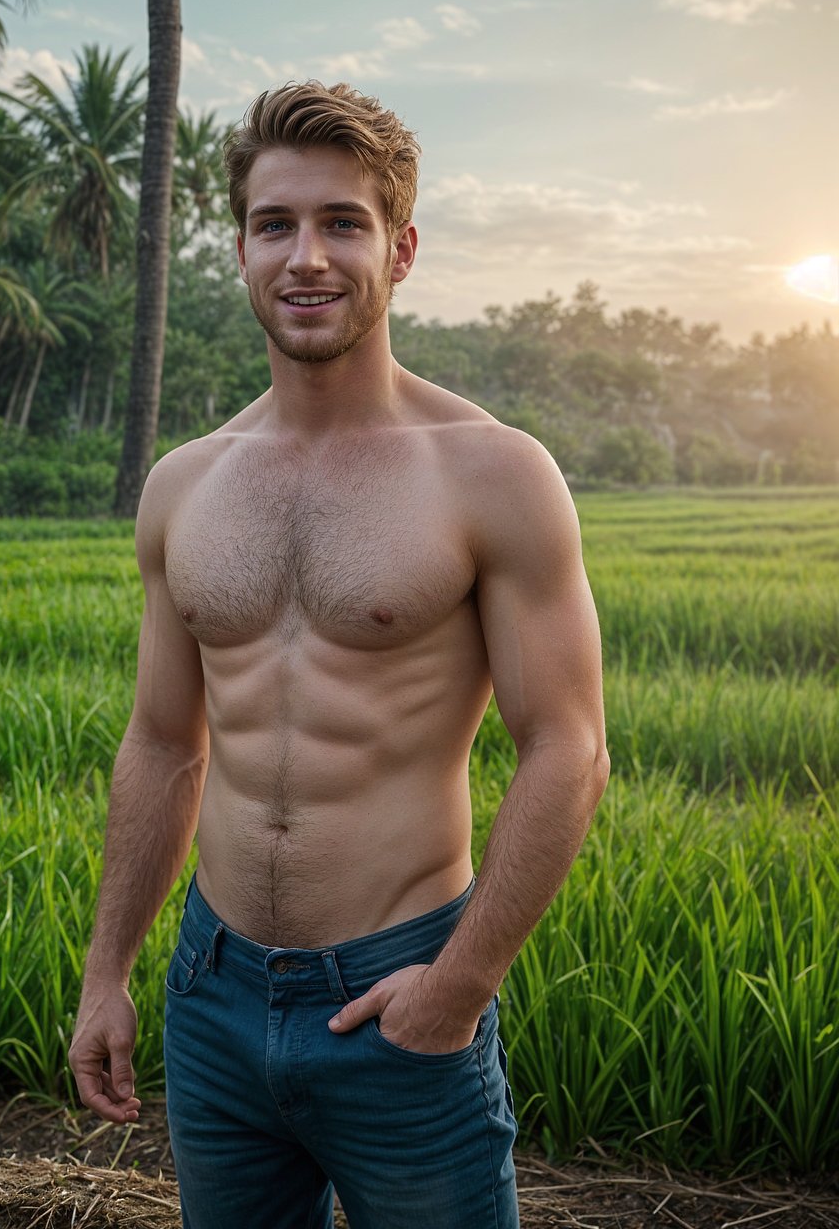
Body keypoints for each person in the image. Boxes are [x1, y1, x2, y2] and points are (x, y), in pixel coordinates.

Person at [69, 80, 608, 1229]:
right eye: (276, 225)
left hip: (399, 996)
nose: (305, 257)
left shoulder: (492, 473)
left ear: (399, 249)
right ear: (242, 249)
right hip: (211, 998)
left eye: (341, 224)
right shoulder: (184, 485)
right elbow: (165, 742)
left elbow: (568, 747)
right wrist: (108, 972)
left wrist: (457, 988)